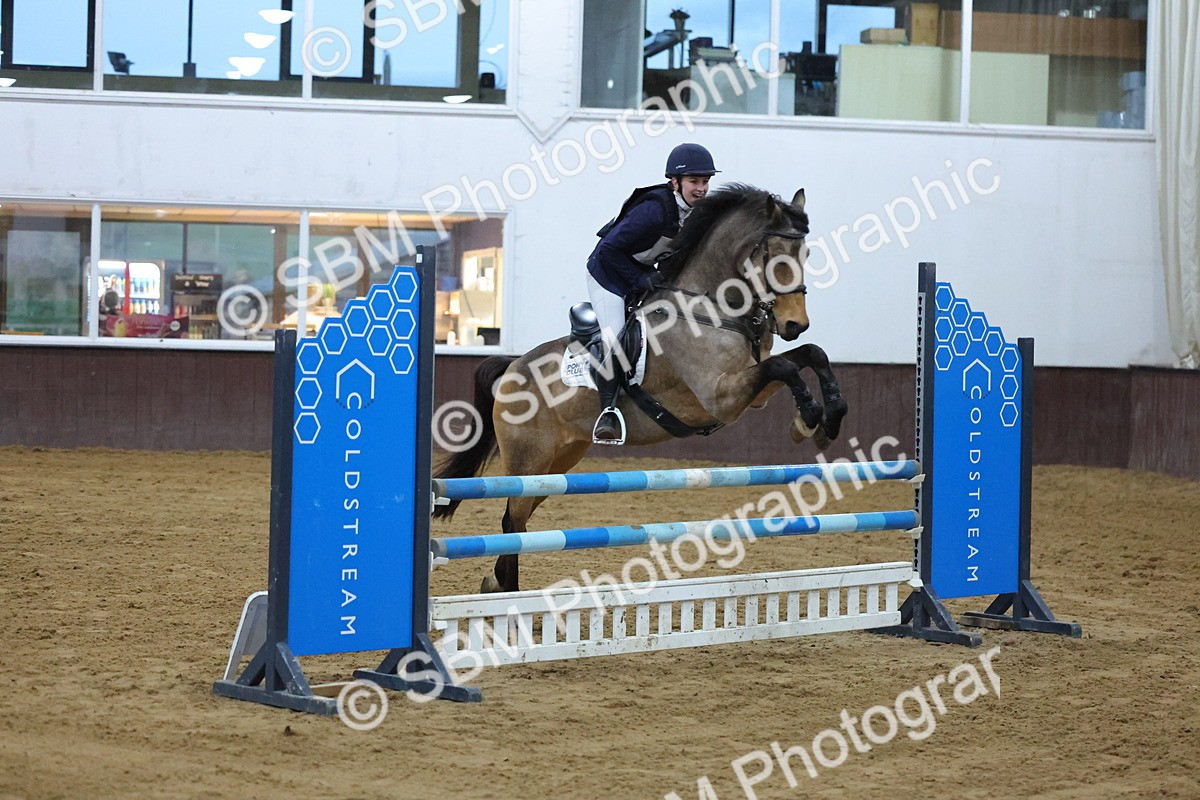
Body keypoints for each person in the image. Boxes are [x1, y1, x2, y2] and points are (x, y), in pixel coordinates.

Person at [584, 142, 719, 444]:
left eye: (705, 181)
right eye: (694, 181)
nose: (701, 188)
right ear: (675, 182)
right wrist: (642, 279)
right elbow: (607, 251)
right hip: (608, 276)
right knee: (616, 340)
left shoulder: (694, 213)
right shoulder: (653, 211)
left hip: (642, 275)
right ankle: (607, 412)